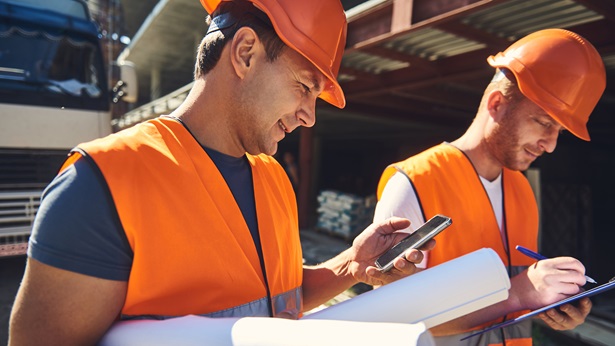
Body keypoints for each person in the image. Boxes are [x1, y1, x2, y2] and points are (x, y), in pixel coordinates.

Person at [8, 0, 434, 345]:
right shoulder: (101, 183)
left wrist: (351, 268)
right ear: (245, 53)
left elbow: (273, 298)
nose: (310, 117)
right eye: (305, 88)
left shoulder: (273, 177)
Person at [373, 28, 606, 346]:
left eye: (560, 132)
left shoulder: (522, 190)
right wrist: (518, 293)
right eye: (544, 122)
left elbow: (512, 305)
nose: (550, 145)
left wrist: (548, 304)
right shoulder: (415, 182)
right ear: (497, 103)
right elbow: (389, 316)